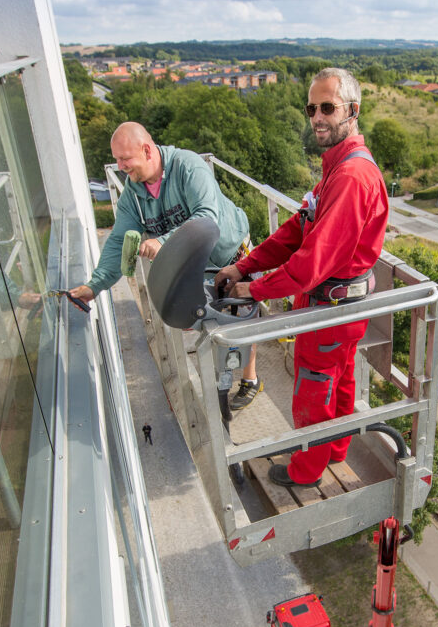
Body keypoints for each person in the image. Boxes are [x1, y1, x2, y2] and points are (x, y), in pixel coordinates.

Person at [215, 67, 388, 487]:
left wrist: (252, 288)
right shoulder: (339, 167)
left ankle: (306, 470)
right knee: (340, 381)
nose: (317, 117)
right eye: (312, 108)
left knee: (314, 389)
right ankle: (335, 450)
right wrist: (246, 264)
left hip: (329, 306)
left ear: (353, 110)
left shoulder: (349, 177)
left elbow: (311, 263)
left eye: (328, 107)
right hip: (344, 307)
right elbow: (297, 229)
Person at [69, 122, 262, 409]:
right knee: (210, 322)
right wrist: (94, 286)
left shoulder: (188, 167)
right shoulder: (133, 196)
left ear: (147, 150)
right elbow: (117, 242)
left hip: (230, 253)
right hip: (195, 265)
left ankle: (250, 378)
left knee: (243, 317)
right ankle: (219, 379)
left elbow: (208, 217)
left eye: (125, 159)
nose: (120, 166)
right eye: (118, 159)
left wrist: (164, 241)